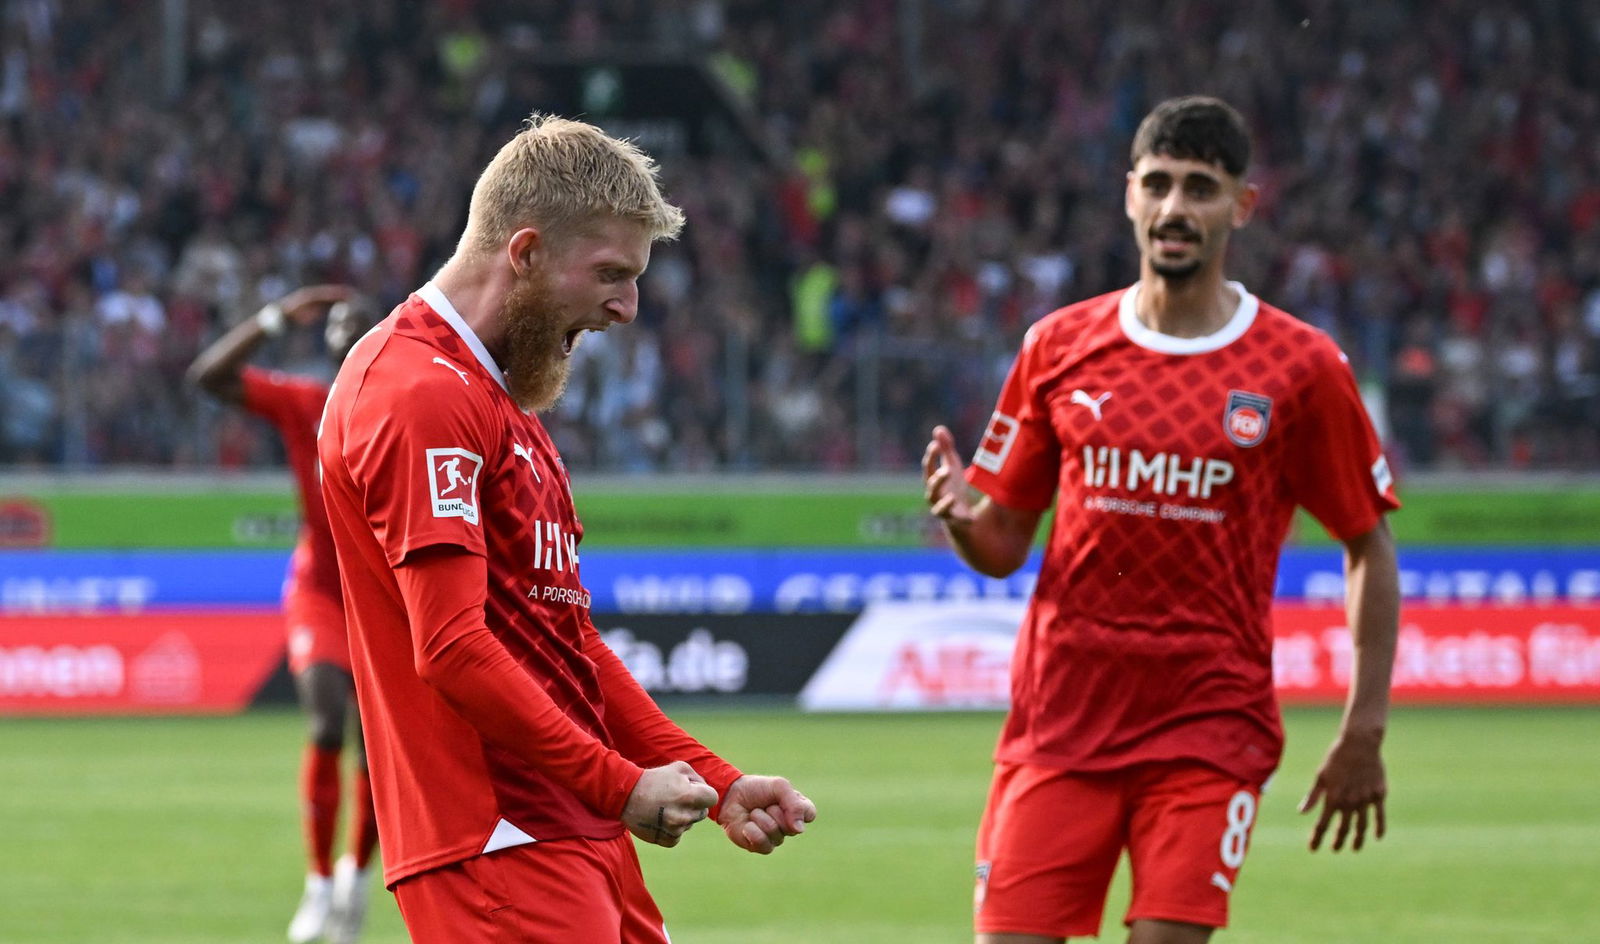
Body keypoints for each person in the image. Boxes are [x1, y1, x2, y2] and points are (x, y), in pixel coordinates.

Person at [316, 114, 816, 943]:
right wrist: (619, 785)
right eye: (612, 274)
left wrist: (718, 784)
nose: (628, 306)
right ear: (525, 253)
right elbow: (451, 648)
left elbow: (568, 645)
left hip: (574, 831)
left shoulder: (501, 401)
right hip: (495, 843)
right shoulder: (418, 393)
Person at [921, 96, 1401, 944]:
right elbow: (1001, 547)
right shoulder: (1059, 345)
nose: (1178, 207)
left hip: (1207, 728)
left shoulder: (1301, 367)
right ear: (1130, 194)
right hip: (1059, 726)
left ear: (1242, 205)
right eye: (1161, 184)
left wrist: (1363, 729)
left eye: (1202, 188)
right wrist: (963, 518)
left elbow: (1366, 539)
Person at [186, 284, 379, 944]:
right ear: (323, 343)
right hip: (320, 590)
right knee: (327, 723)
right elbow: (208, 376)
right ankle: (320, 883)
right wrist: (271, 316)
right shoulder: (306, 403)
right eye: (334, 323)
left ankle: (357, 880)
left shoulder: (409, 409)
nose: (343, 329)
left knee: (380, 754)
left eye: (358, 321)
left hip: (382, 604)